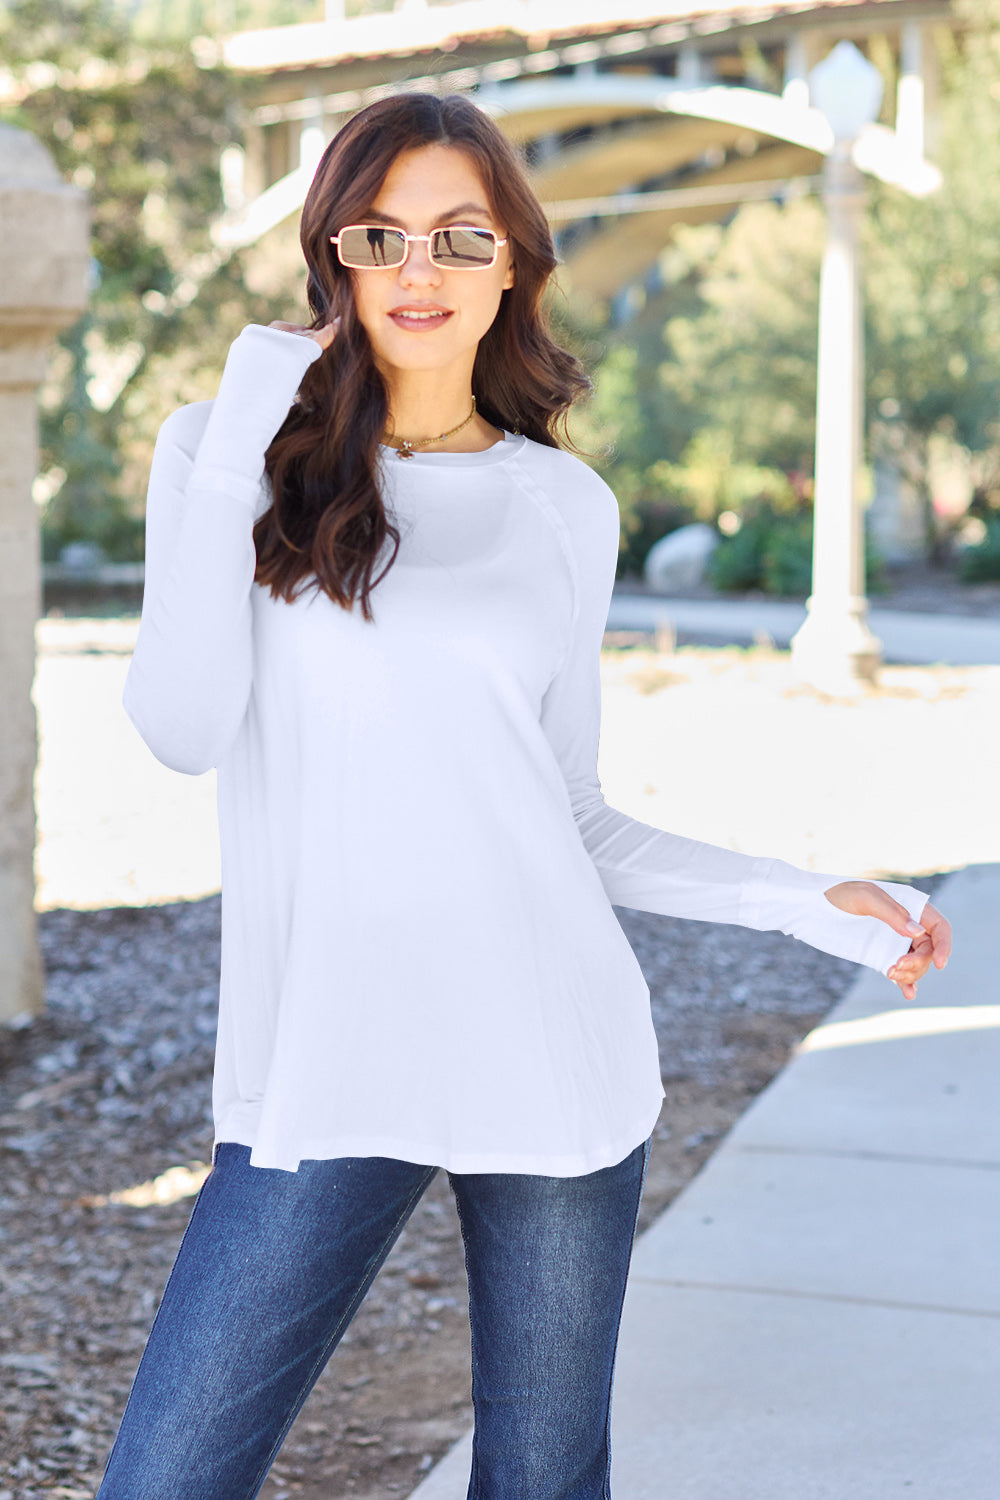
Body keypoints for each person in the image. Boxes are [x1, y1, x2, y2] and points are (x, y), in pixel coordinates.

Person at [100, 92, 951, 1500]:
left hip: (552, 1055)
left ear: (514, 263)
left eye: (458, 236)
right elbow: (180, 730)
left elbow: (571, 815)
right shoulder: (226, 453)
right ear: (336, 261)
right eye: (383, 237)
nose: (419, 270)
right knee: (166, 1479)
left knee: (547, 1484)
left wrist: (812, 902)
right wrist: (246, 430)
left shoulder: (564, 508)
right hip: (325, 1063)